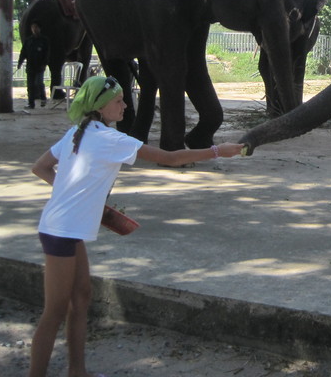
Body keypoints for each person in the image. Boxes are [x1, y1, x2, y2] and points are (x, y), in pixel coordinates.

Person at [28, 75, 246, 377]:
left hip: (66, 227)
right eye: (119, 100)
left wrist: (72, 195)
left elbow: (40, 167)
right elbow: (169, 158)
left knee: (81, 298)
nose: (125, 104)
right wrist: (216, 151)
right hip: (60, 231)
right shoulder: (109, 139)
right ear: (103, 108)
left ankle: (77, 372)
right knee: (54, 312)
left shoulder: (79, 132)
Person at [18, 22, 50, 109]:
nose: (34, 29)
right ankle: (31, 103)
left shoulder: (44, 40)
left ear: (40, 28)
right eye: (33, 27)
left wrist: (44, 64)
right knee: (30, 85)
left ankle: (43, 98)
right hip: (30, 66)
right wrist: (20, 63)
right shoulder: (28, 40)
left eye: (36, 27)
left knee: (39, 83)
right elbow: (23, 52)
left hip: (40, 66)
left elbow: (47, 54)